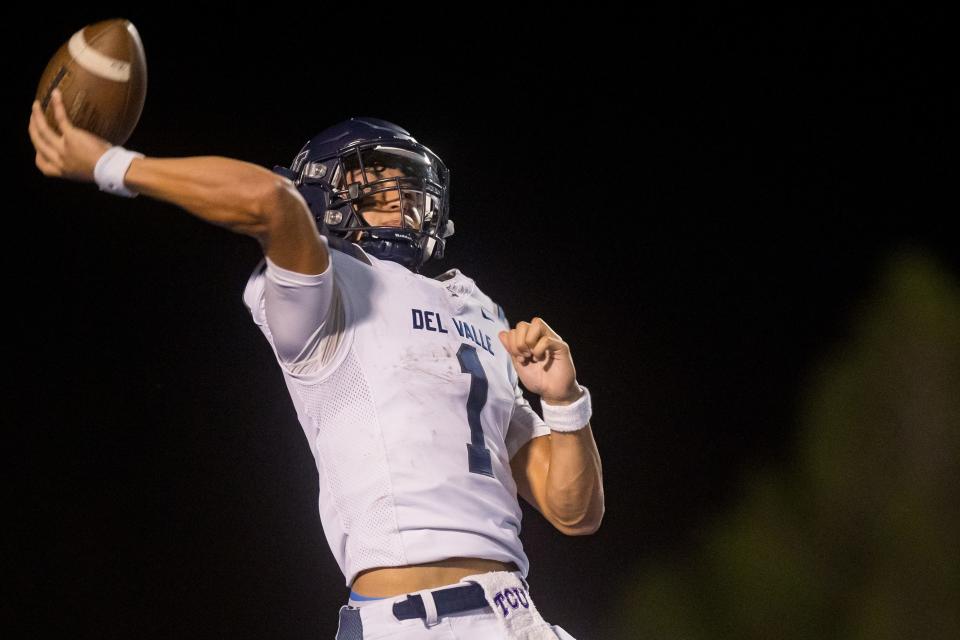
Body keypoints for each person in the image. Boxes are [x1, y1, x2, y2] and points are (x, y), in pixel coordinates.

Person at [28, 87, 604, 639]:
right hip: (414, 623)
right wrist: (111, 163)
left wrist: (564, 401)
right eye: (373, 177)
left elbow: (573, 512)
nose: (397, 192)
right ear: (324, 193)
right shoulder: (328, 289)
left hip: (520, 615)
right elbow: (270, 201)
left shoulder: (478, 308)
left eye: (403, 179)